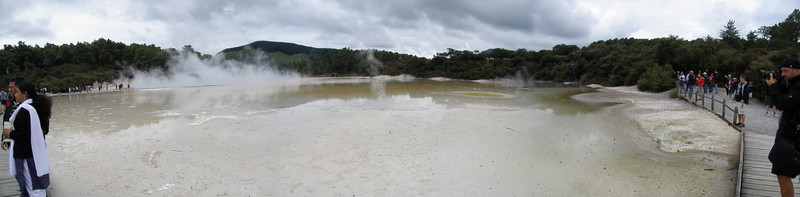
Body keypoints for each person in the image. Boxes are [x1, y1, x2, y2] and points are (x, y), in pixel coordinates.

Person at [2, 80, 52, 196]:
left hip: (26, 155)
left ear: (25, 93)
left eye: (17, 91)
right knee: (33, 185)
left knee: (33, 187)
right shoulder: (29, 108)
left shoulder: (25, 110)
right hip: (32, 152)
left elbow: (24, 135)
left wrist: (10, 133)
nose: (14, 94)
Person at [766, 57, 800, 197]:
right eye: (781, 71)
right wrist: (776, 84)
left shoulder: (798, 87)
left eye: (785, 71)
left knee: (783, 174)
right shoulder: (793, 84)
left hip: (793, 138)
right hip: (790, 135)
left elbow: (783, 103)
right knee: (781, 172)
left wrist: (774, 87)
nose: (783, 74)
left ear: (797, 70)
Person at [3, 77, 25, 150]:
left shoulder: (29, 105)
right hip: (13, 142)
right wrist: (5, 139)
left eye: (11, 87)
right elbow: (6, 121)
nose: (9, 90)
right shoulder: (10, 103)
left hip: (25, 143)